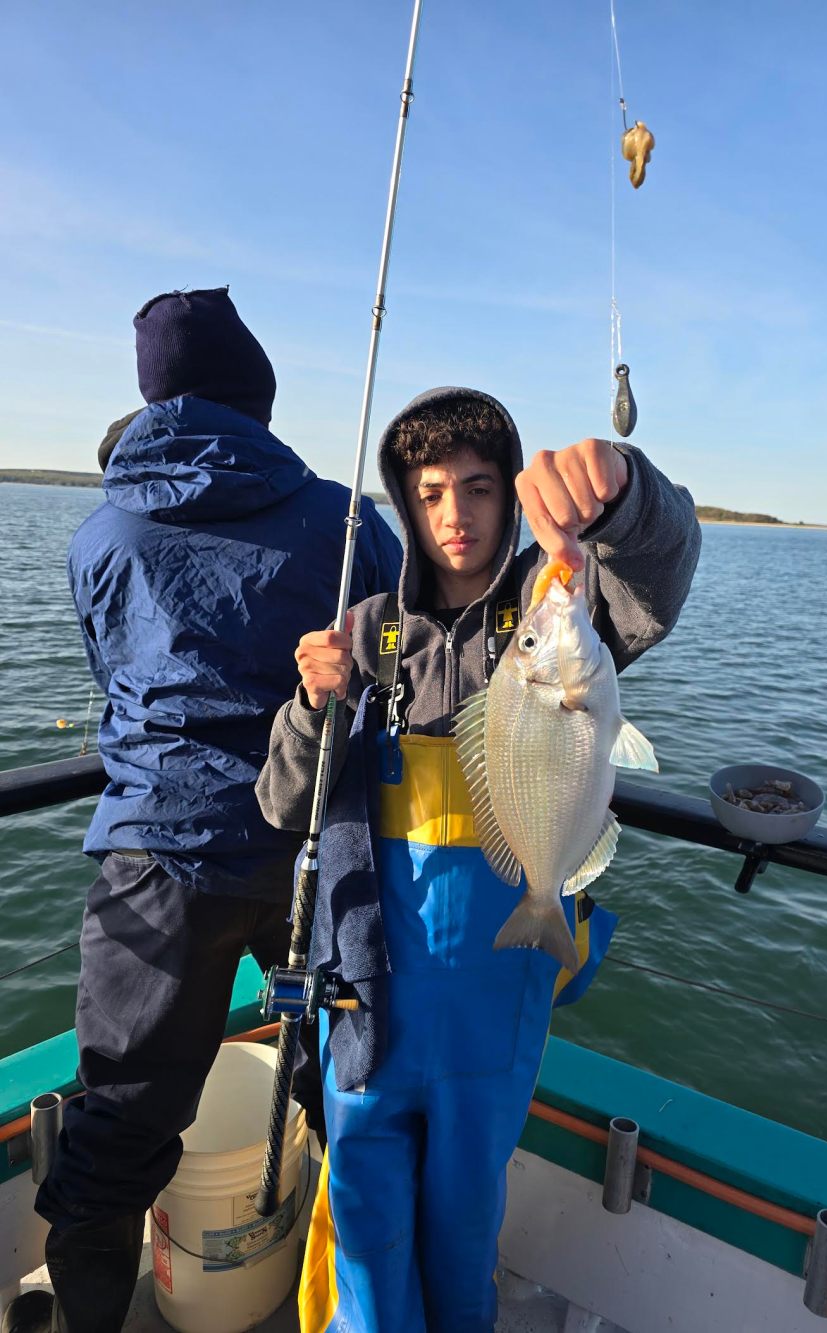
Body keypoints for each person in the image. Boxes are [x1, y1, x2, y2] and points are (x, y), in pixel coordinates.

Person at [256, 385, 701, 1332]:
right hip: (366, 1000)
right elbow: (283, 803)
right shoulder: (368, 631)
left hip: (497, 1000)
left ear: (509, 495)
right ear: (406, 504)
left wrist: (623, 492)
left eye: (479, 487)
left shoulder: (560, 603)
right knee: (365, 1216)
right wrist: (309, 706)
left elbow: (662, 570)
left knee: (465, 1224)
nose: (454, 513)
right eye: (430, 493)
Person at [2, 288, 402, 1333]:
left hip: (155, 858)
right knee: (348, 1085)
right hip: (312, 850)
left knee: (118, 1122)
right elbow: (393, 667)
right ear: (257, 396)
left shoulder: (100, 535)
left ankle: (90, 1314)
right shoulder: (347, 522)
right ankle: (366, 1300)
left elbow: (112, 675)